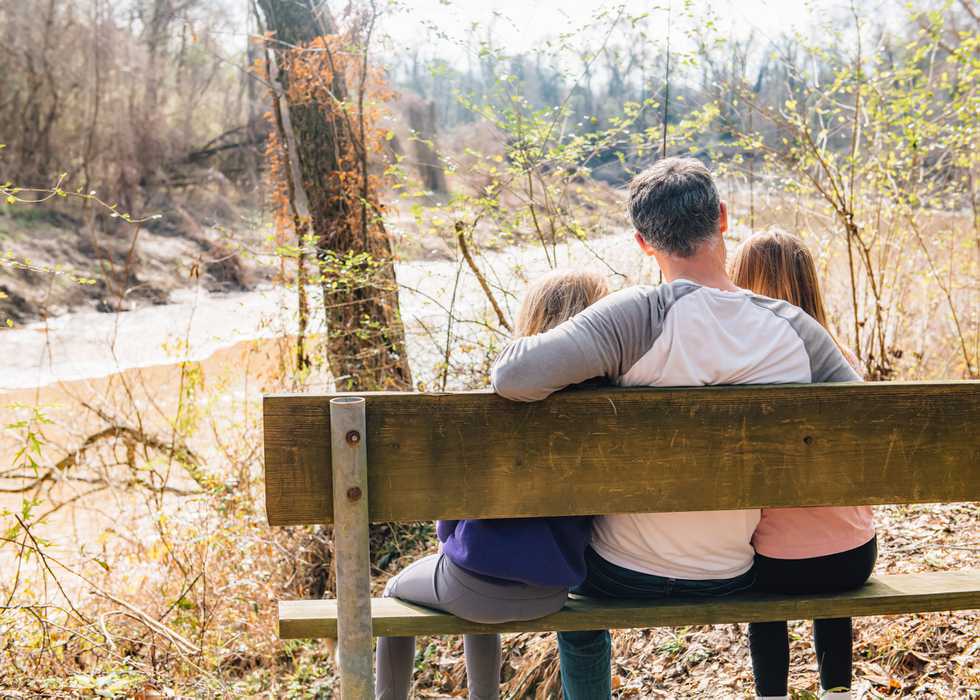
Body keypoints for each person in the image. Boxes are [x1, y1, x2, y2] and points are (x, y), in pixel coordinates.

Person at [490, 157, 861, 700]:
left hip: (619, 575)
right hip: (733, 572)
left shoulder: (632, 317)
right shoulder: (793, 329)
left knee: (572, 570)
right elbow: (862, 418)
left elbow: (512, 376)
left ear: (643, 242)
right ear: (723, 218)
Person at [375, 269, 610, 700]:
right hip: (553, 591)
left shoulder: (494, 405)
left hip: (470, 587)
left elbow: (450, 518)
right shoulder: (605, 407)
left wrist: (454, 541)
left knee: (394, 592)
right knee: (471, 575)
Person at [731, 229, 876, 700]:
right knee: (827, 566)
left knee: (762, 587)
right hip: (853, 557)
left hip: (774, 564)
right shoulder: (843, 360)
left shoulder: (741, 371)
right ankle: (838, 691)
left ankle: (770, 694)